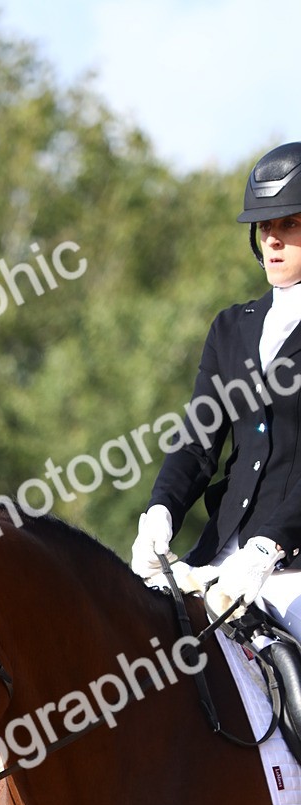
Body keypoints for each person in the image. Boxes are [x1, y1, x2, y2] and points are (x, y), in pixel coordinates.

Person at [131, 142, 301, 637]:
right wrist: (161, 509)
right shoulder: (231, 328)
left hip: (289, 569)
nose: (272, 239)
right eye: (264, 226)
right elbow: (198, 440)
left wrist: (270, 544)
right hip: (216, 559)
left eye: (290, 223)